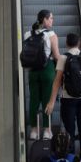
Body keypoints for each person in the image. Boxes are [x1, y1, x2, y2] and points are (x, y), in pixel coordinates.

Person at [45, 33, 81, 158]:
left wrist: (51, 102)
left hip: (68, 99)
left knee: (69, 129)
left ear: (67, 43)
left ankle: (70, 158)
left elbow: (57, 81)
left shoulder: (63, 58)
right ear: (79, 43)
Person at [25, 9, 61, 140]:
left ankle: (33, 130)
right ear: (44, 19)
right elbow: (56, 56)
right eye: (51, 18)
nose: (52, 20)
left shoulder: (27, 34)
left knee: (34, 100)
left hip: (33, 71)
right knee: (47, 100)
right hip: (47, 70)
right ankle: (47, 130)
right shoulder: (51, 34)